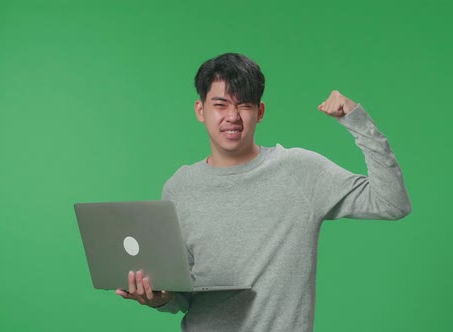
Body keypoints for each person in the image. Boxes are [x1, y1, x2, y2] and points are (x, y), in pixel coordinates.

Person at [115, 53, 412, 331]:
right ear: (200, 110)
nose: (232, 116)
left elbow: (392, 202)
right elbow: (183, 294)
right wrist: (160, 298)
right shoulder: (179, 187)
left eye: (243, 105)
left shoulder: (300, 169)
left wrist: (357, 121)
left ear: (260, 112)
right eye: (220, 105)